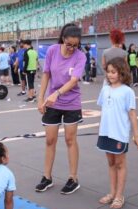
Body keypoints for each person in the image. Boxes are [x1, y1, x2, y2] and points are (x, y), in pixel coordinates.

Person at [36, 23, 86, 194]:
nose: (72, 48)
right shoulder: (52, 51)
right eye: (69, 44)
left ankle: (73, 178)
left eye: (76, 45)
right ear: (63, 39)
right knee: (50, 140)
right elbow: (46, 74)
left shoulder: (80, 57)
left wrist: (56, 93)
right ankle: (47, 177)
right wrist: (40, 97)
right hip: (52, 102)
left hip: (71, 102)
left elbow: (73, 81)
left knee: (70, 140)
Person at [97, 57, 138, 209]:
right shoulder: (105, 89)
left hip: (120, 134)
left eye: (113, 72)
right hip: (106, 133)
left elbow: (132, 114)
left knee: (120, 164)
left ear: (121, 73)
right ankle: (112, 192)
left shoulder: (128, 91)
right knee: (110, 163)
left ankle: (119, 196)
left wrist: (136, 135)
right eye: (108, 72)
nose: (110, 75)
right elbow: (104, 109)